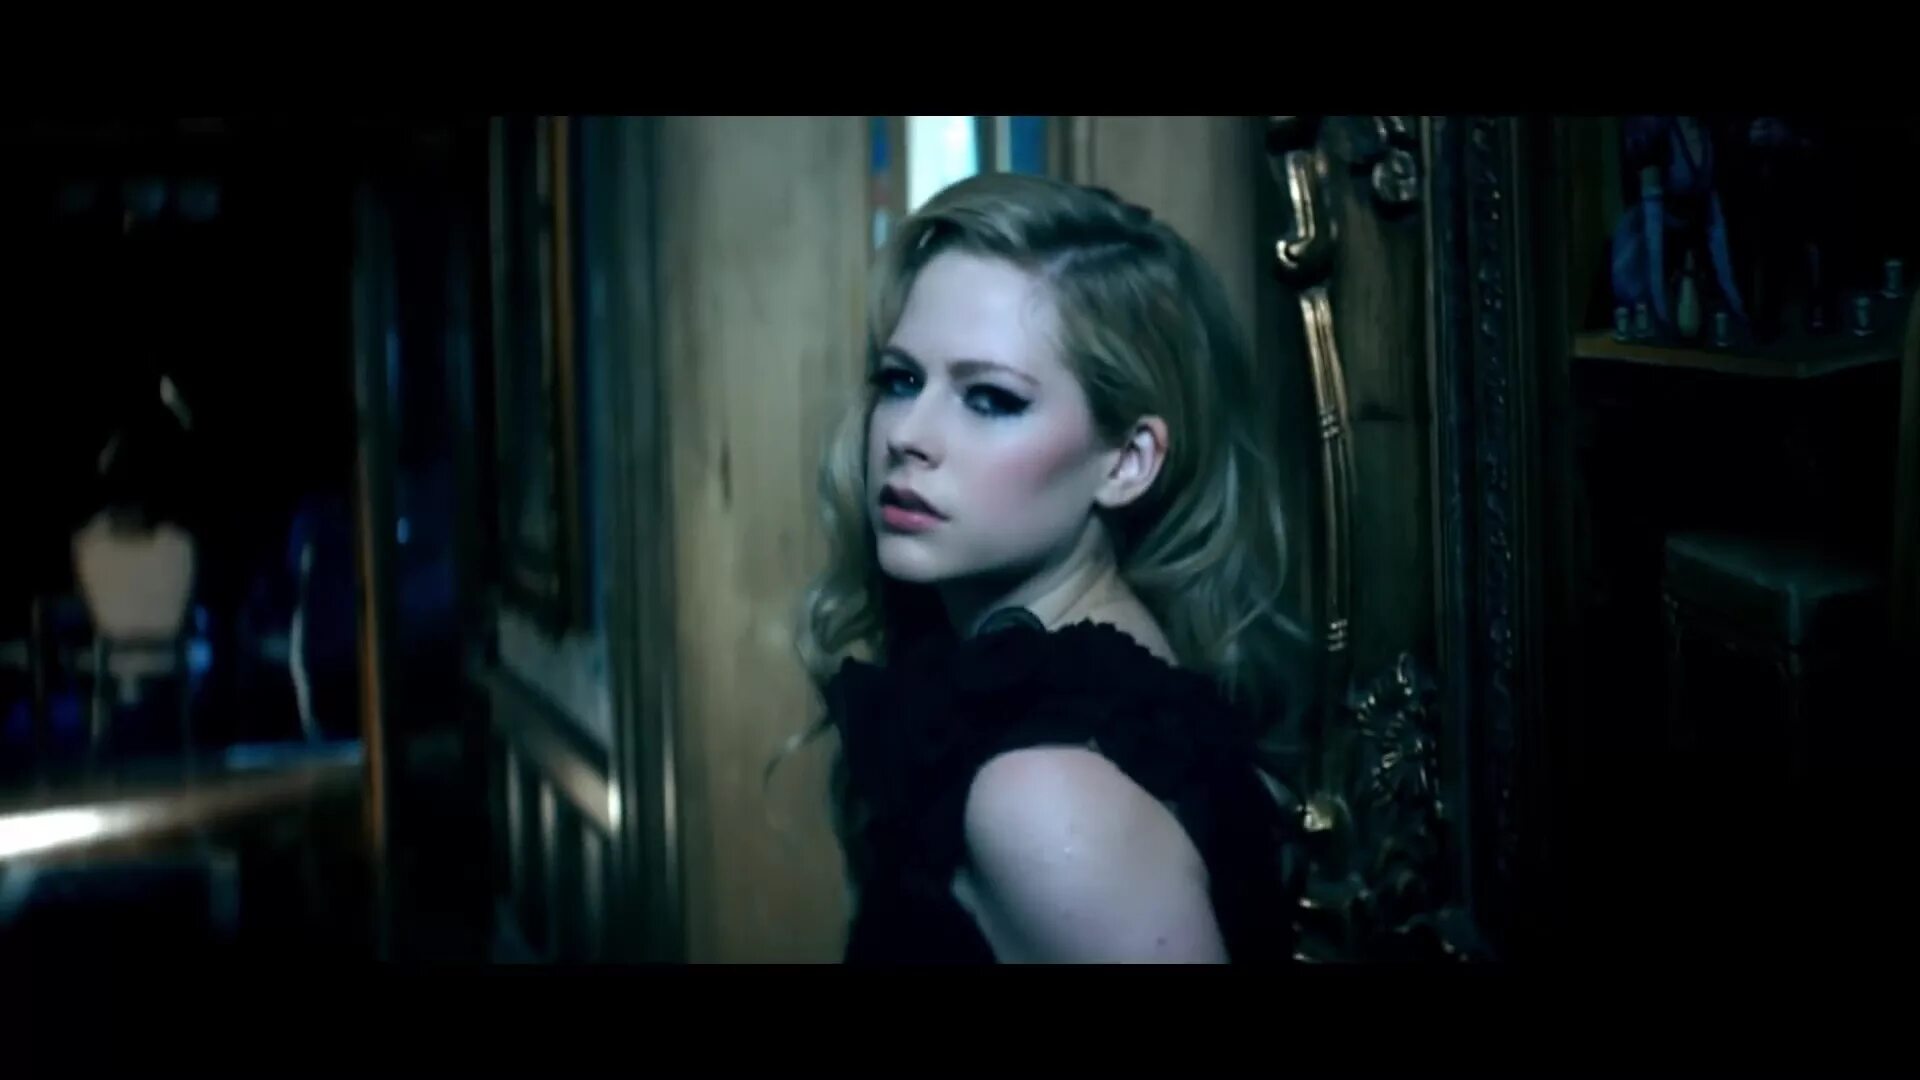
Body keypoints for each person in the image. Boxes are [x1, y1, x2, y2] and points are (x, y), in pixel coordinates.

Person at [791, 172, 1311, 964]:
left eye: (991, 398)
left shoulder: (1043, 795)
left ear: (1128, 462)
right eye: (901, 380)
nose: (906, 435)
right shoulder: (1069, 682)